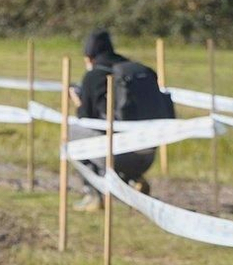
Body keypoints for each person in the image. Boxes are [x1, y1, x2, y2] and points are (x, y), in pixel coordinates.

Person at [69, 29, 172, 208]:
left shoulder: (93, 76)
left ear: (89, 56)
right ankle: (133, 180)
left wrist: (78, 101)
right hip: (148, 154)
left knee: (71, 135)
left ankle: (94, 194)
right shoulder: (141, 70)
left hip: (115, 155)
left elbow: (85, 118)